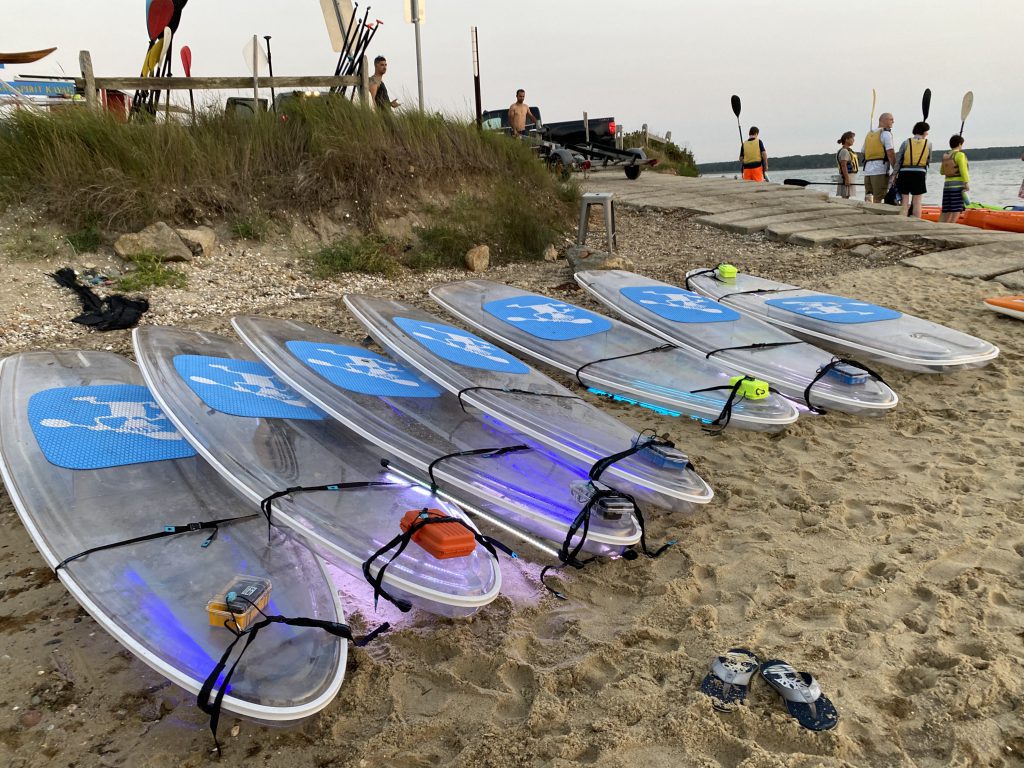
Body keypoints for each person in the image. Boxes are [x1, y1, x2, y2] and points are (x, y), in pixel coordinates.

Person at [893, 121, 931, 218]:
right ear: (923, 131)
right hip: (920, 173)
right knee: (917, 201)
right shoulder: (929, 143)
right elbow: (928, 160)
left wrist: (894, 174)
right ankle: (917, 220)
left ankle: (903, 219)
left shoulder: (906, 142)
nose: (927, 133)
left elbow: (899, 160)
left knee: (904, 200)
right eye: (927, 131)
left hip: (905, 173)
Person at [861, 112, 896, 203]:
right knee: (879, 196)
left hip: (868, 170)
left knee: (869, 195)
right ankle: (877, 215)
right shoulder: (886, 134)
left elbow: (863, 151)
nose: (893, 121)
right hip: (880, 169)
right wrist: (896, 168)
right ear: (882, 120)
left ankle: (868, 212)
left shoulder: (869, 134)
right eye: (891, 119)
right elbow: (890, 152)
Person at [938, 135, 970, 223]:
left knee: (946, 210)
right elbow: (963, 170)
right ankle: (951, 226)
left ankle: (939, 227)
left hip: (947, 185)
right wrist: (966, 182)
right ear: (959, 144)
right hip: (957, 185)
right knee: (956, 209)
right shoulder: (960, 155)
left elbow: (942, 171)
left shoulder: (946, 155)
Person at [835, 131, 859, 198]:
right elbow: (843, 165)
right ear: (846, 139)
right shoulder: (844, 151)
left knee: (847, 196)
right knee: (845, 196)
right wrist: (847, 179)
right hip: (846, 176)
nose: (853, 140)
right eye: (852, 138)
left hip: (849, 176)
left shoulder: (847, 150)